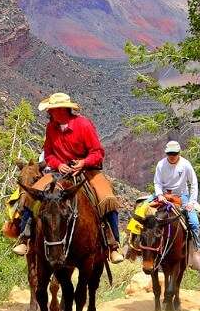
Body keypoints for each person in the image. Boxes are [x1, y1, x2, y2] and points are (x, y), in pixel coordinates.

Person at [13, 92, 124, 264]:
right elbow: (49, 154)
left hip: (86, 171)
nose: (49, 113)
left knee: (107, 197)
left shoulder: (83, 125)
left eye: (52, 110)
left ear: (63, 110)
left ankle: (113, 244)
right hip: (58, 172)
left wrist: (83, 163)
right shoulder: (51, 128)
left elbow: (98, 152)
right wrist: (58, 164)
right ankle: (25, 236)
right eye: (50, 110)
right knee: (30, 195)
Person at [153, 140, 200, 270]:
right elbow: (157, 182)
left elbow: (194, 183)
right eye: (170, 153)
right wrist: (159, 194)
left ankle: (196, 249)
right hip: (164, 195)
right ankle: (135, 245)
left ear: (179, 153)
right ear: (166, 153)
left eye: (174, 153)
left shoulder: (185, 165)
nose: (172, 156)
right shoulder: (161, 164)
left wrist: (191, 202)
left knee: (193, 222)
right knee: (142, 209)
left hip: (182, 196)